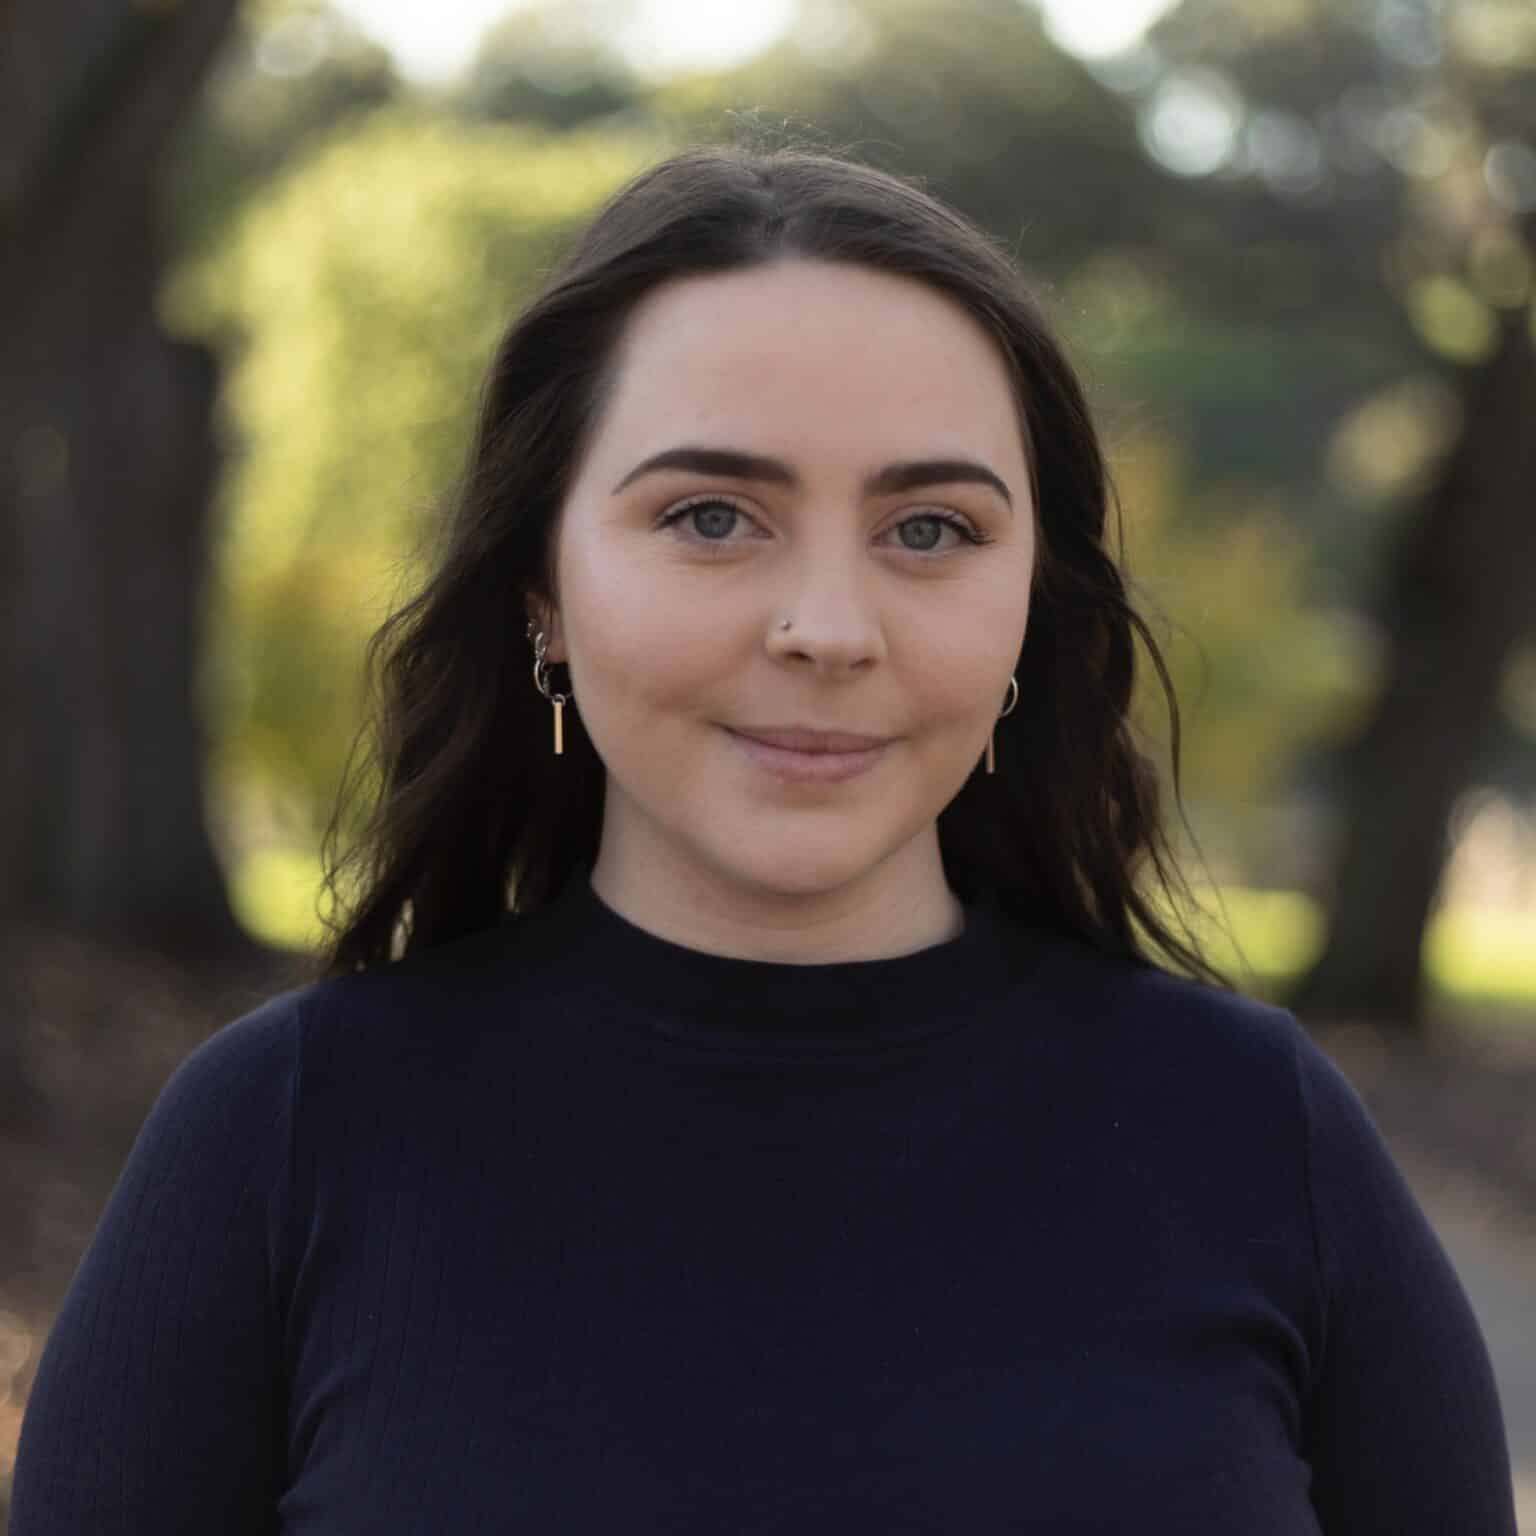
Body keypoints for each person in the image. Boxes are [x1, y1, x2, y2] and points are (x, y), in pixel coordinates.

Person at [10, 142, 1517, 1534]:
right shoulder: (283, 1141)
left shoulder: (1260, 1139)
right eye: (713, 518)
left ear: (1030, 610)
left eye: (930, 530)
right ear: (543, 583)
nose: (825, 629)